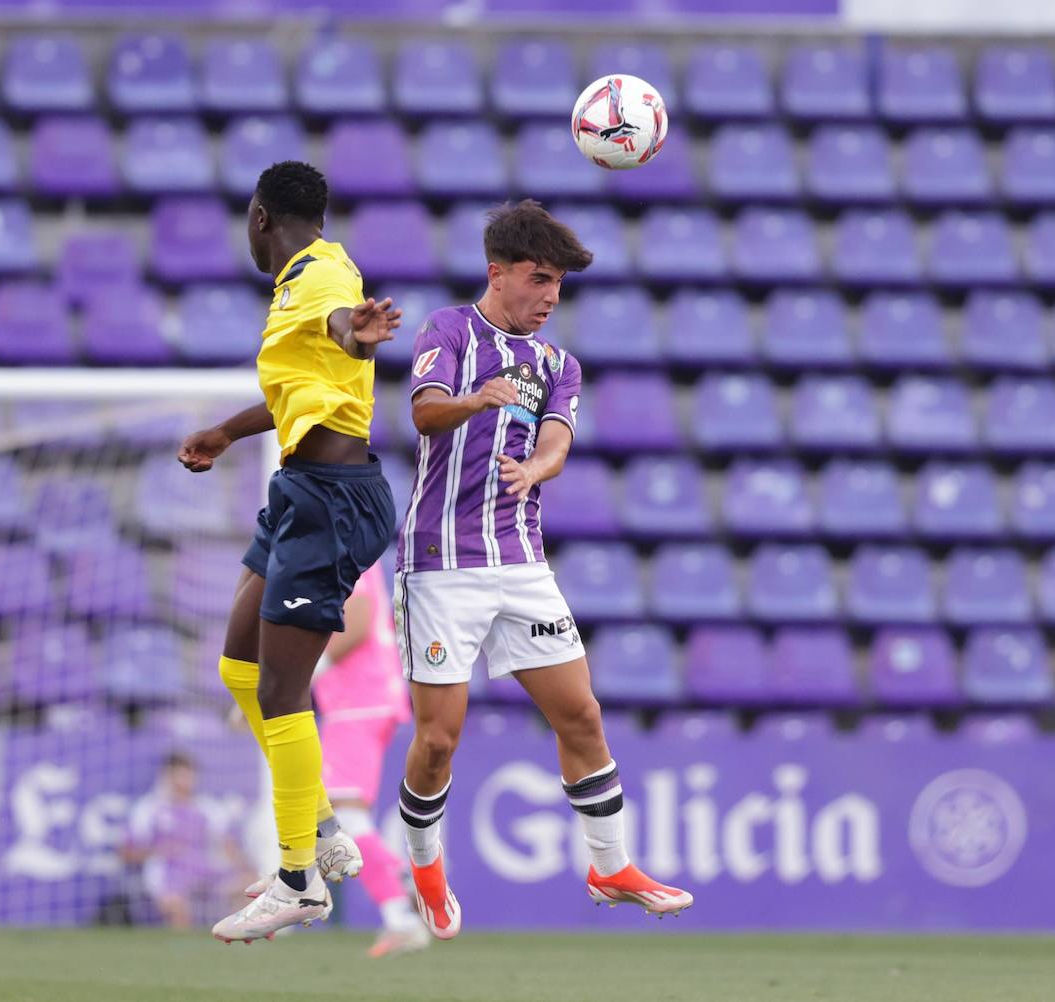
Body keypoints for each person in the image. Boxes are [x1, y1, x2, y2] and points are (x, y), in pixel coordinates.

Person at [392, 200, 694, 940]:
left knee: (582, 715)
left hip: (522, 562)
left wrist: (536, 470)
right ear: (499, 274)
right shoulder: (449, 331)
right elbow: (424, 415)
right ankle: (427, 875)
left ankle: (610, 866)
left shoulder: (559, 364)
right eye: (540, 279)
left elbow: (559, 437)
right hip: (441, 564)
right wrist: (474, 401)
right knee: (438, 740)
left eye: (559, 284)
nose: (552, 297)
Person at [177, 161, 399, 943]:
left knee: (281, 690)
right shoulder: (304, 278)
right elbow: (295, 386)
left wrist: (355, 331)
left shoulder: (321, 279)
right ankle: (322, 823)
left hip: (333, 503)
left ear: (260, 216)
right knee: (239, 667)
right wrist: (227, 432)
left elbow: (341, 321)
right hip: (304, 492)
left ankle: (299, 878)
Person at [312, 565, 428, 957]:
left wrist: (306, 673)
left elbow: (358, 623)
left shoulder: (348, 552)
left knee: (343, 817)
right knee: (336, 815)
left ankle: (400, 914)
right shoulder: (351, 548)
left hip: (357, 703)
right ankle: (400, 884)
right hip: (364, 701)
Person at [120, 753, 247, 930]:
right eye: (182, 774)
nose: (188, 780)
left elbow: (229, 847)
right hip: (168, 872)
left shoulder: (208, 808)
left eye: (191, 774)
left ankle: (239, 943)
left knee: (248, 887)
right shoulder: (149, 808)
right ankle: (186, 949)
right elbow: (125, 852)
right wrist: (157, 850)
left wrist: (244, 869)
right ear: (168, 776)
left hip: (205, 870)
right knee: (176, 904)